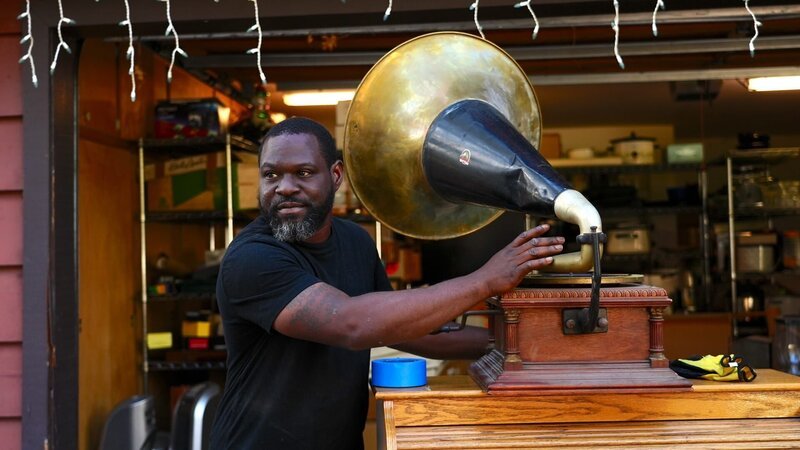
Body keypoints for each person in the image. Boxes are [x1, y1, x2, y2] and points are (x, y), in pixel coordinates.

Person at [209, 117, 565, 449]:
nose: (285, 188)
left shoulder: (355, 242)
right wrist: (484, 280)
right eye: (271, 175)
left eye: (303, 173)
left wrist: (520, 345)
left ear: (335, 176)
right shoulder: (251, 258)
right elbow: (350, 323)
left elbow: (401, 330)